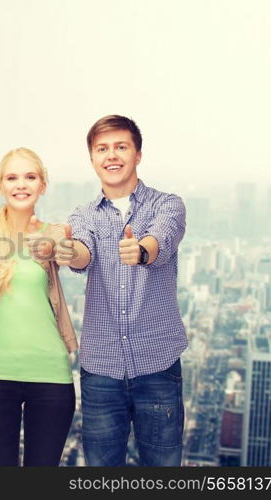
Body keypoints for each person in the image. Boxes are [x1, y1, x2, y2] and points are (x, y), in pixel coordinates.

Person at [57, 115, 187, 466]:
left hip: (157, 362)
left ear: (138, 154)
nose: (111, 156)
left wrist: (142, 250)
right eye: (102, 149)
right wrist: (71, 252)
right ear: (92, 159)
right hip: (102, 368)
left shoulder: (167, 204)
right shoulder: (83, 214)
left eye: (120, 147)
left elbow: (164, 235)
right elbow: (81, 251)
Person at [0, 147, 77, 466]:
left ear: (42, 185)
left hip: (51, 375)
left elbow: (65, 246)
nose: (21, 184)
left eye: (30, 177)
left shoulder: (53, 232)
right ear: (1, 185)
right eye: (12, 177)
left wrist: (58, 248)